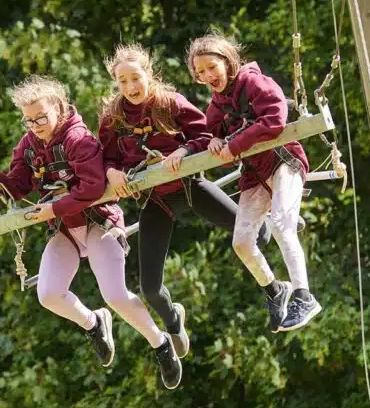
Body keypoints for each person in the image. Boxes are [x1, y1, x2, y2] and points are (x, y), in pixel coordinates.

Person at [0, 75, 182, 389]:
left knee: (115, 295)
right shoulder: (28, 146)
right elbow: (14, 189)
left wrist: (53, 209)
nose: (36, 125)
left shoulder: (78, 139)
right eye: (29, 120)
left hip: (98, 221)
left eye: (41, 117)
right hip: (64, 230)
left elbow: (92, 187)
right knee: (48, 295)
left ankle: (161, 344)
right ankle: (93, 322)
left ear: (58, 109)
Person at [98, 43, 270, 353]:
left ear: (148, 74)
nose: (131, 87)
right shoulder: (113, 118)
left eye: (135, 78)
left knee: (260, 234)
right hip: (157, 201)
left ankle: (275, 219)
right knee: (148, 287)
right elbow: (106, 159)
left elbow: (206, 135)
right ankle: (173, 321)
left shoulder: (169, 103)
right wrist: (112, 173)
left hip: (190, 186)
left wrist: (184, 150)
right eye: (122, 82)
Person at [186, 32, 322, 332]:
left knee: (284, 224)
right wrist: (215, 142)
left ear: (227, 61)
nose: (208, 75)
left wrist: (233, 146)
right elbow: (211, 135)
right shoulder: (216, 107)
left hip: (283, 161)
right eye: (201, 72)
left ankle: (304, 294)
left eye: (212, 67)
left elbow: (274, 119)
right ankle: (275, 290)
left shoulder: (255, 83)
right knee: (242, 243)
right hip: (254, 174)